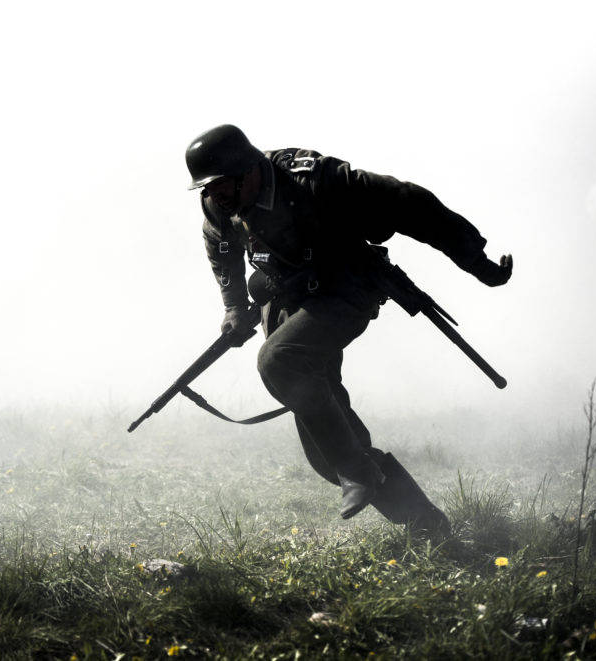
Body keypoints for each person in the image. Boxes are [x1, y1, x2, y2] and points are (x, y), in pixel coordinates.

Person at [186, 125, 513, 533]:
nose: (215, 197)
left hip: (346, 290)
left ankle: (357, 470)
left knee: (279, 360)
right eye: (208, 189)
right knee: (330, 453)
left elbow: (410, 204)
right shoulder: (219, 204)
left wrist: (475, 261)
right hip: (291, 300)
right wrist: (233, 306)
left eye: (221, 186)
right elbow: (220, 244)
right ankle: (428, 527)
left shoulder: (315, 180)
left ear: (248, 170)